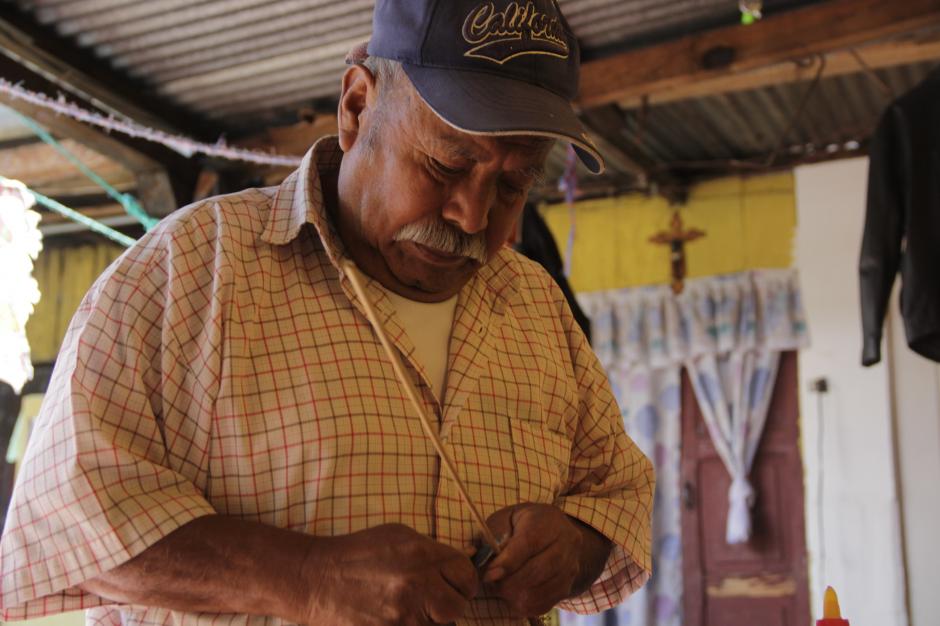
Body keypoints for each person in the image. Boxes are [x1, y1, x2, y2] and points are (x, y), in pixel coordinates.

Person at [0, 1, 654, 625]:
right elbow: (67, 516)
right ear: (357, 106)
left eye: (514, 183)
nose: (474, 217)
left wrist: (574, 545)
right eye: (446, 164)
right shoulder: (190, 270)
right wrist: (303, 574)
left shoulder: (536, 305)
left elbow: (617, 501)